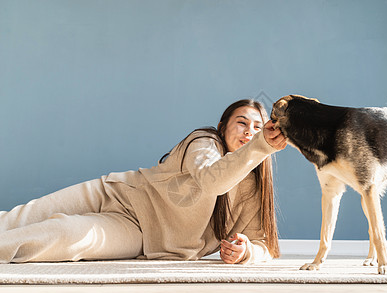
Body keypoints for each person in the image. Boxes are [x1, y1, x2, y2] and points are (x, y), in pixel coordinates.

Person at [0, 99, 287, 264]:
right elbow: (213, 181)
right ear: (223, 126)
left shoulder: (252, 186)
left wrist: (246, 250)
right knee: (15, 220)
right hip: (117, 193)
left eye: (259, 128)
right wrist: (261, 145)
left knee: (66, 234)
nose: (250, 132)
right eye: (242, 122)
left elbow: (265, 244)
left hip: (139, 232)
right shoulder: (204, 142)